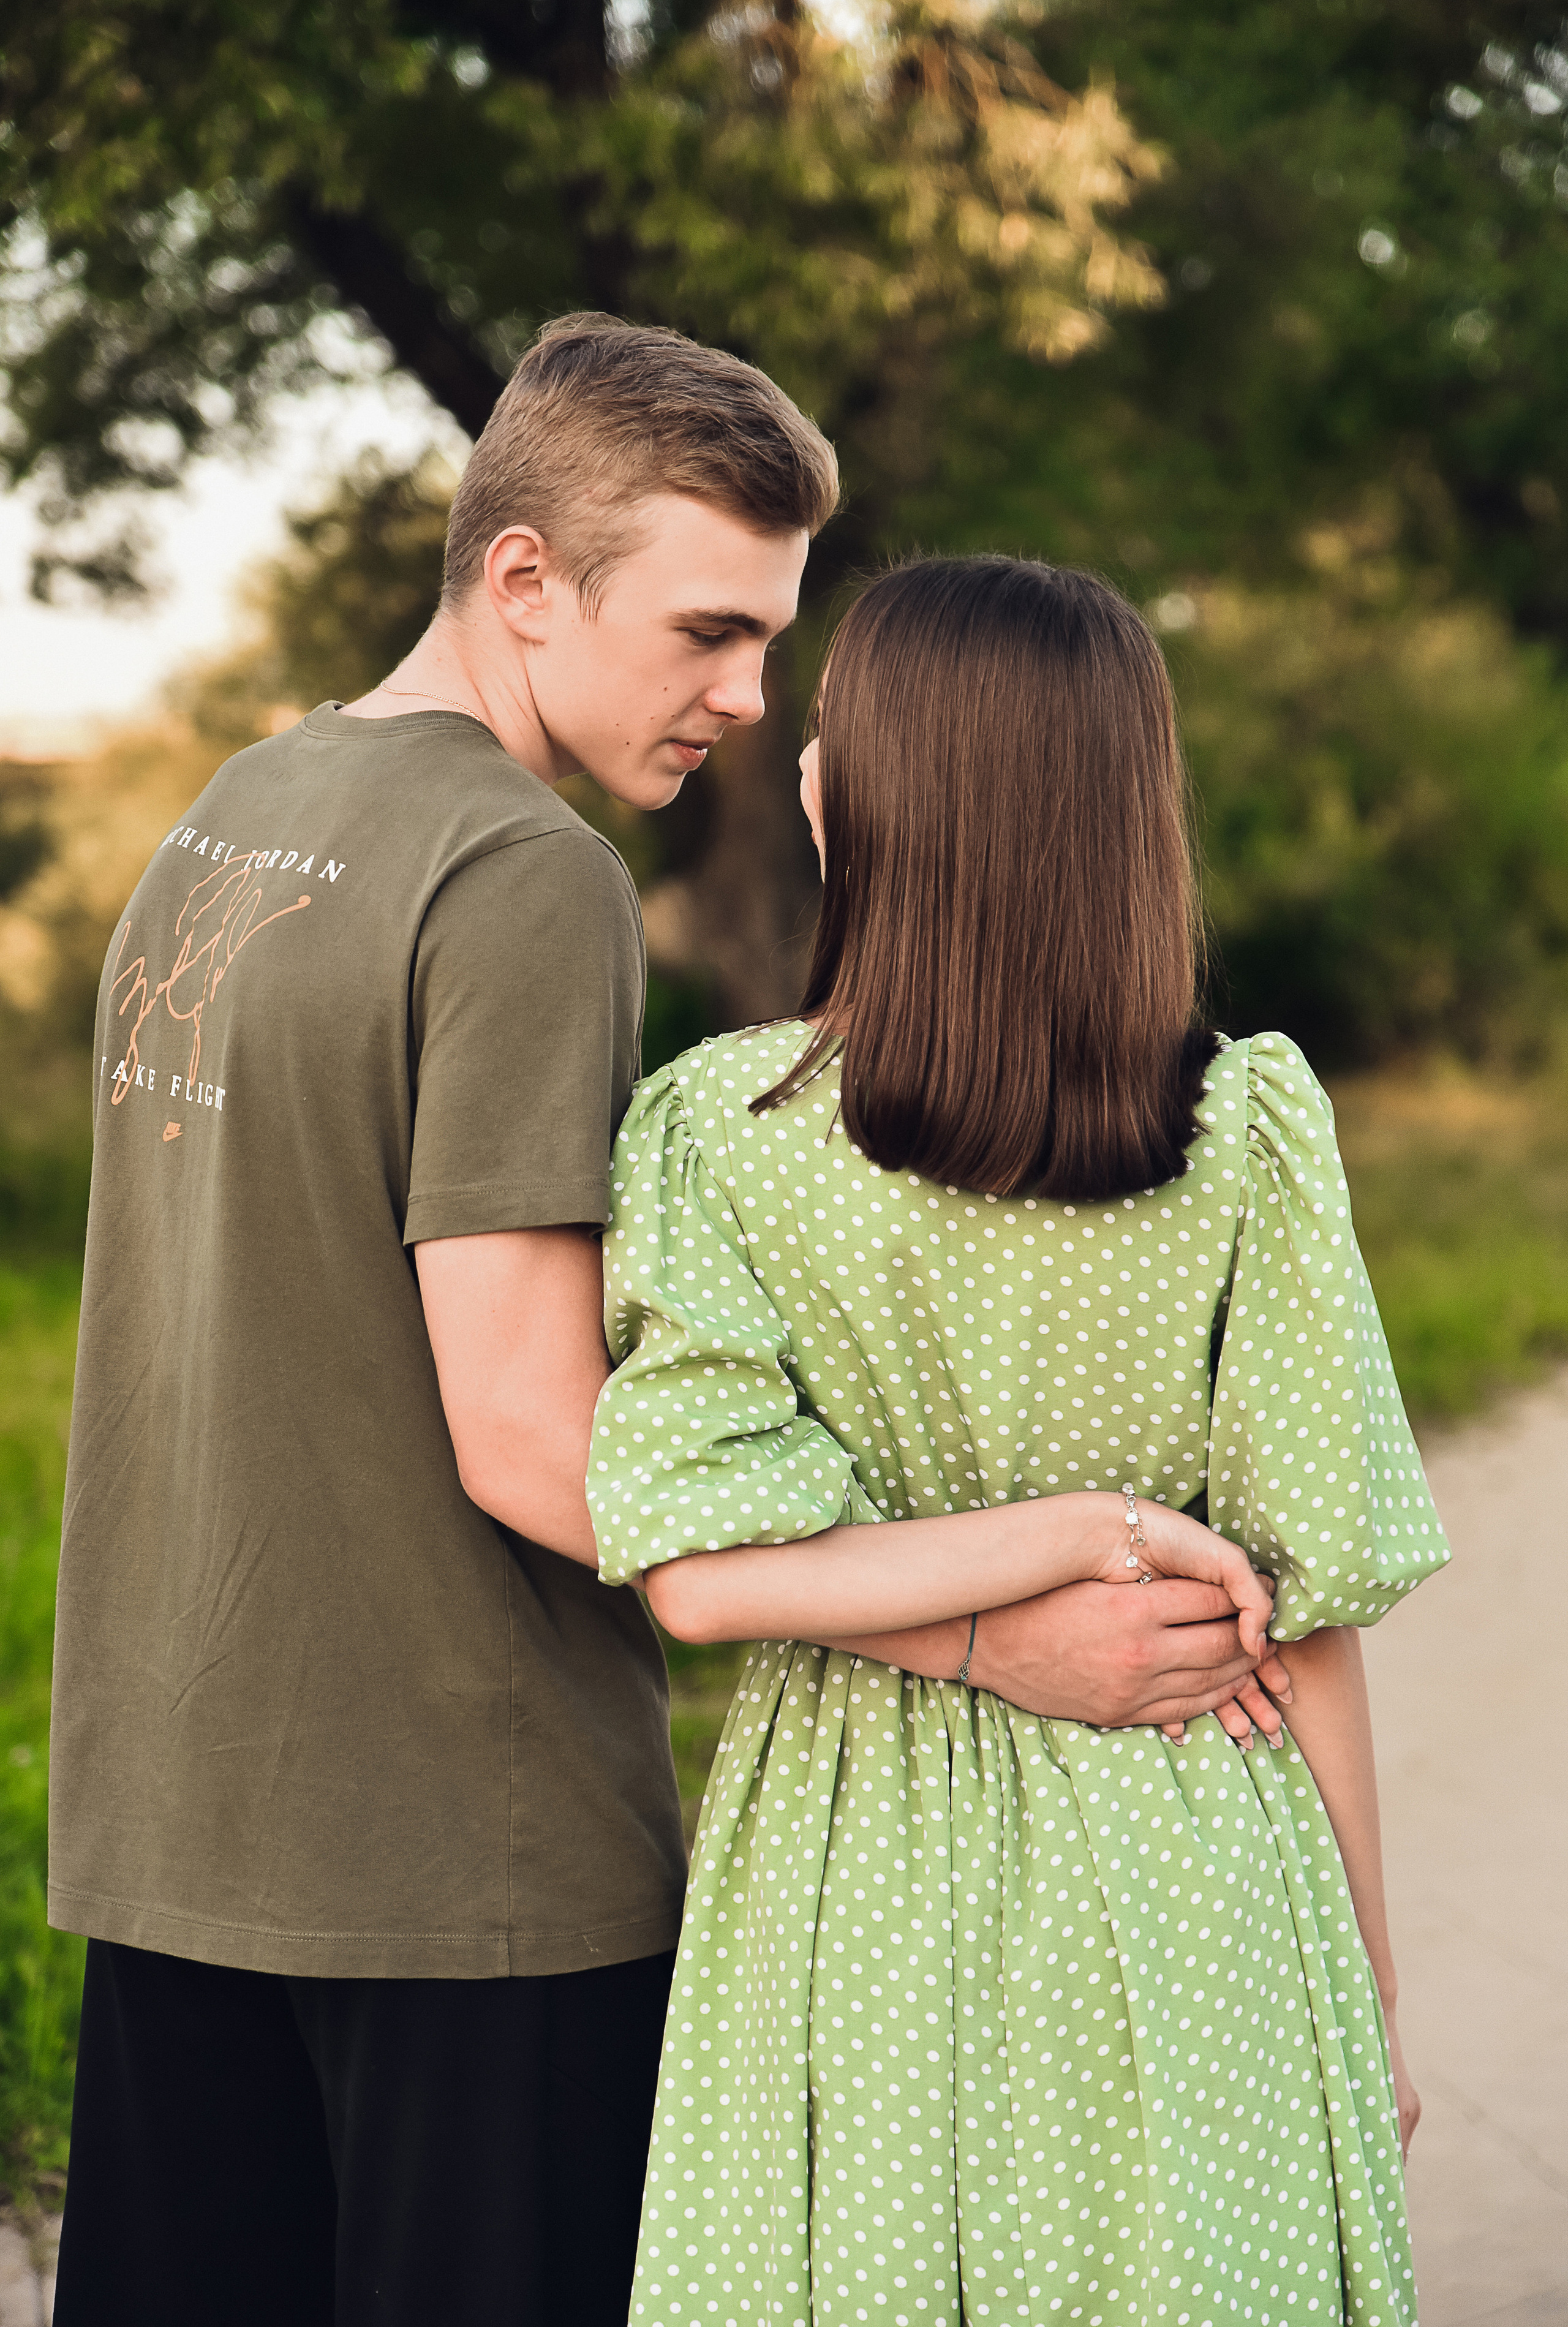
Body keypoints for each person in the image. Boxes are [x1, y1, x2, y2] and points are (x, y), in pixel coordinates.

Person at [47, 314, 839, 2327]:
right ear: (522, 580)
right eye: (707, 631)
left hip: (173, 1831)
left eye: (771, 639)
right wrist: (966, 1596)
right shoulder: (523, 870)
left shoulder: (234, 815)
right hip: (464, 1875)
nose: (749, 696)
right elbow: (524, 1431)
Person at [588, 558, 1450, 2327]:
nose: (805, 763)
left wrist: (1030, 1550)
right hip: (1202, 1854)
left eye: (828, 739)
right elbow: (1314, 1609)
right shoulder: (1247, 1125)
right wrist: (1364, 1985)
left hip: (858, 1866)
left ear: (865, 805)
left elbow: (700, 1569)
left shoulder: (717, 1137)